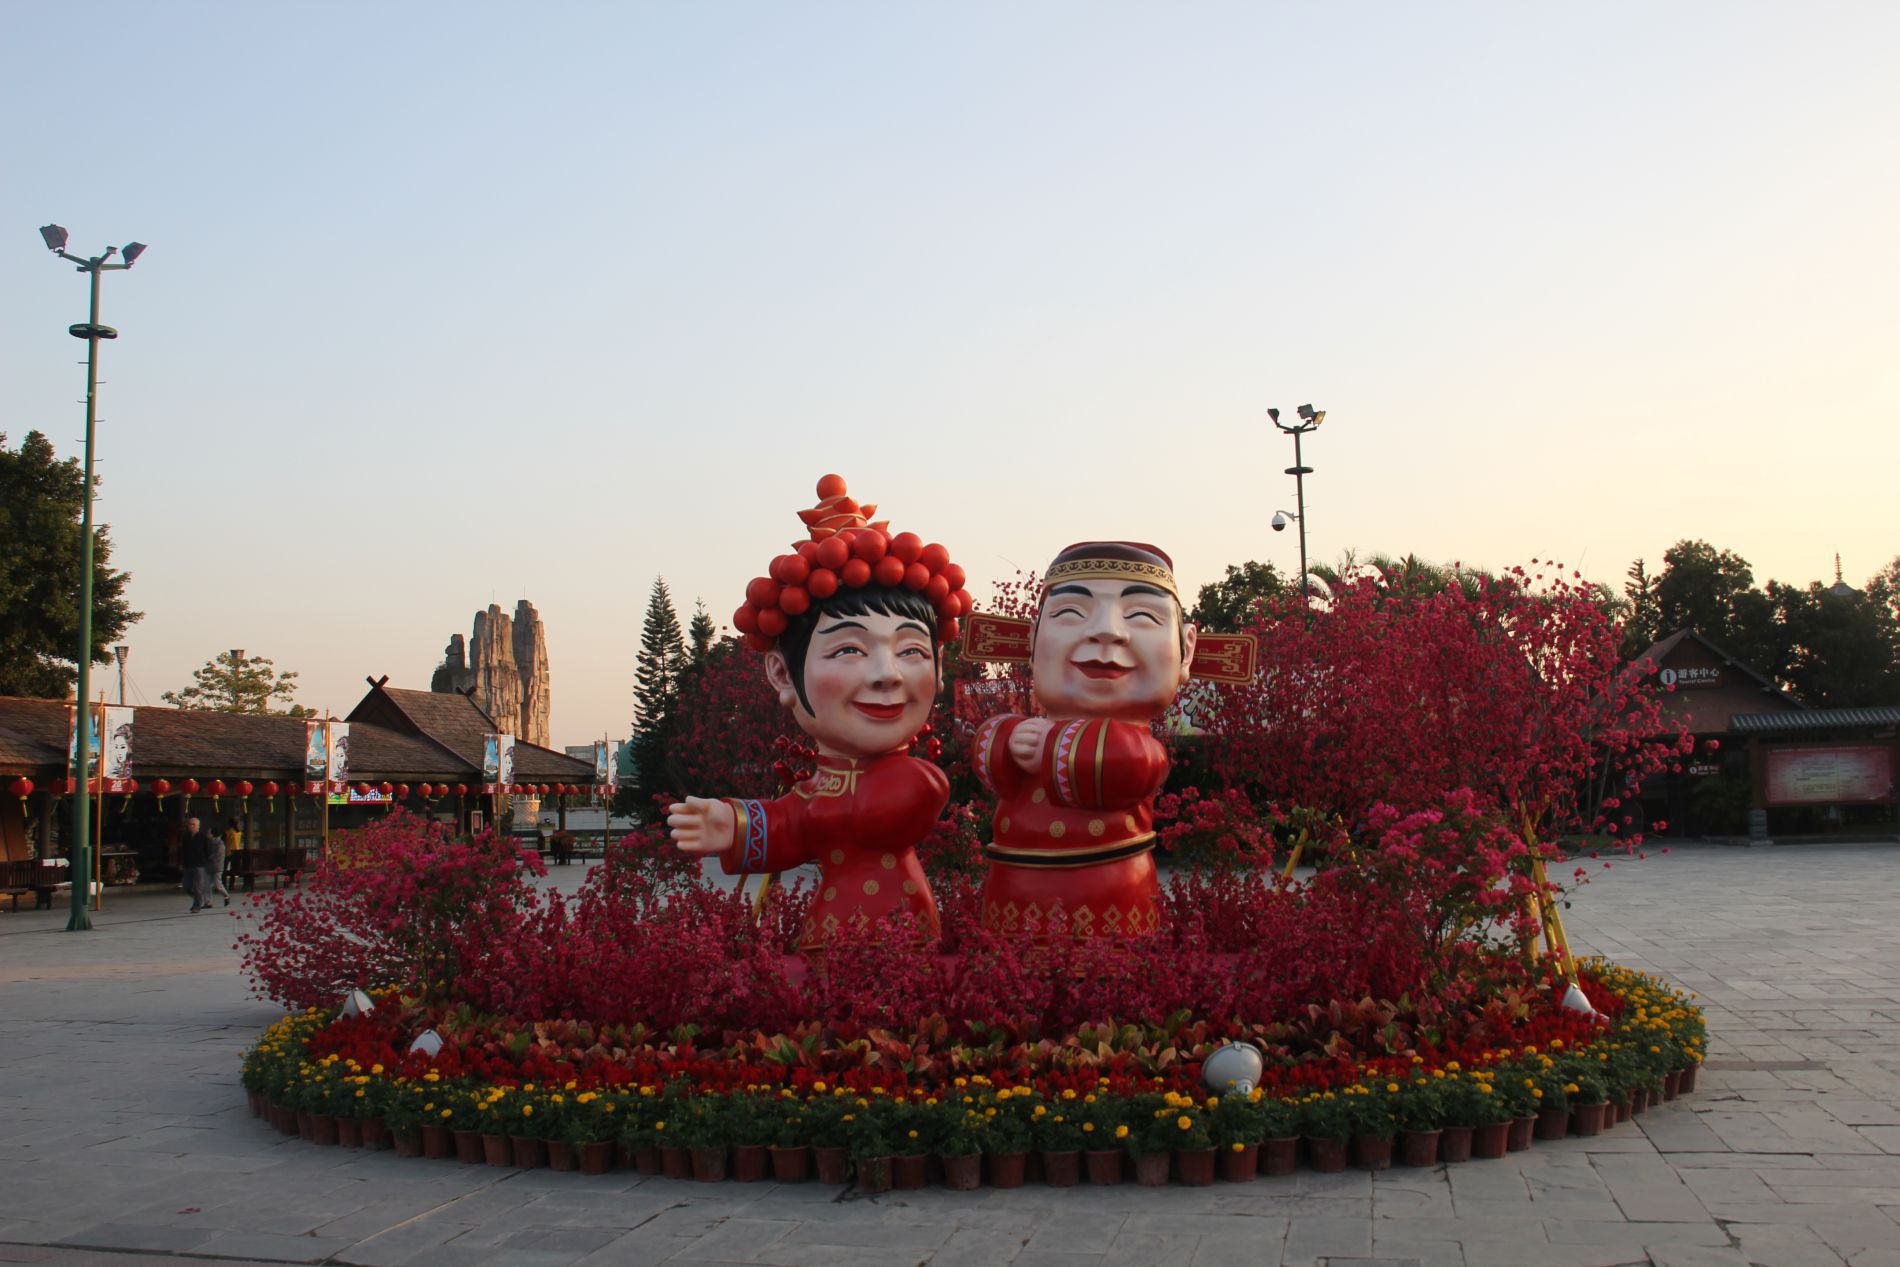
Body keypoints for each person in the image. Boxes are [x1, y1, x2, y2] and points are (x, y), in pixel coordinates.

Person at [668, 475, 971, 949]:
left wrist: (792, 815)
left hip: (904, 934)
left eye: (911, 651)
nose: (887, 675)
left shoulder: (917, 781)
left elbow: (865, 816)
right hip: (826, 935)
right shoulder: (816, 792)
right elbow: (795, 826)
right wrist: (733, 825)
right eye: (850, 651)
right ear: (783, 675)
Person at [974, 542, 1198, 939]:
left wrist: (1051, 747)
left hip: (1112, 910)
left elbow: (1117, 762)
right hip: (1009, 905)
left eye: (1143, 616)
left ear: (1187, 650)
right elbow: (994, 771)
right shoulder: (1030, 731)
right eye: (1071, 613)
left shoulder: (1142, 750)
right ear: (1032, 641)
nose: (1105, 630)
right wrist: (1006, 739)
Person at [179, 816, 215, 913]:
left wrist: (205, 861)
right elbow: (183, 850)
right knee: (187, 886)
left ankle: (197, 905)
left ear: (197, 826)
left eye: (193, 824)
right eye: (189, 824)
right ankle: (199, 899)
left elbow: (208, 851)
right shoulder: (186, 837)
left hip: (199, 865)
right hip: (188, 865)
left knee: (198, 887)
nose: (190, 826)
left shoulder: (202, 837)